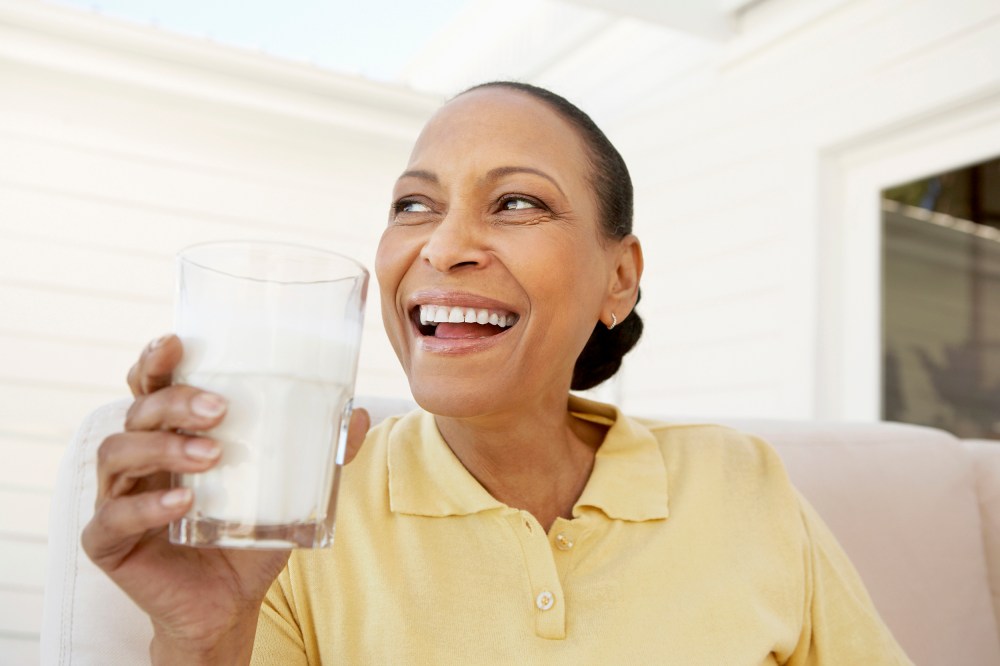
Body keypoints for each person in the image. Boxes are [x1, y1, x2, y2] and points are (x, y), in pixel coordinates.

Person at [82, 81, 912, 664]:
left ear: (618, 277)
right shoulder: (292, 513)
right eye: (414, 204)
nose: (443, 246)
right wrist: (204, 644)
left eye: (517, 202)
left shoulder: (741, 481)